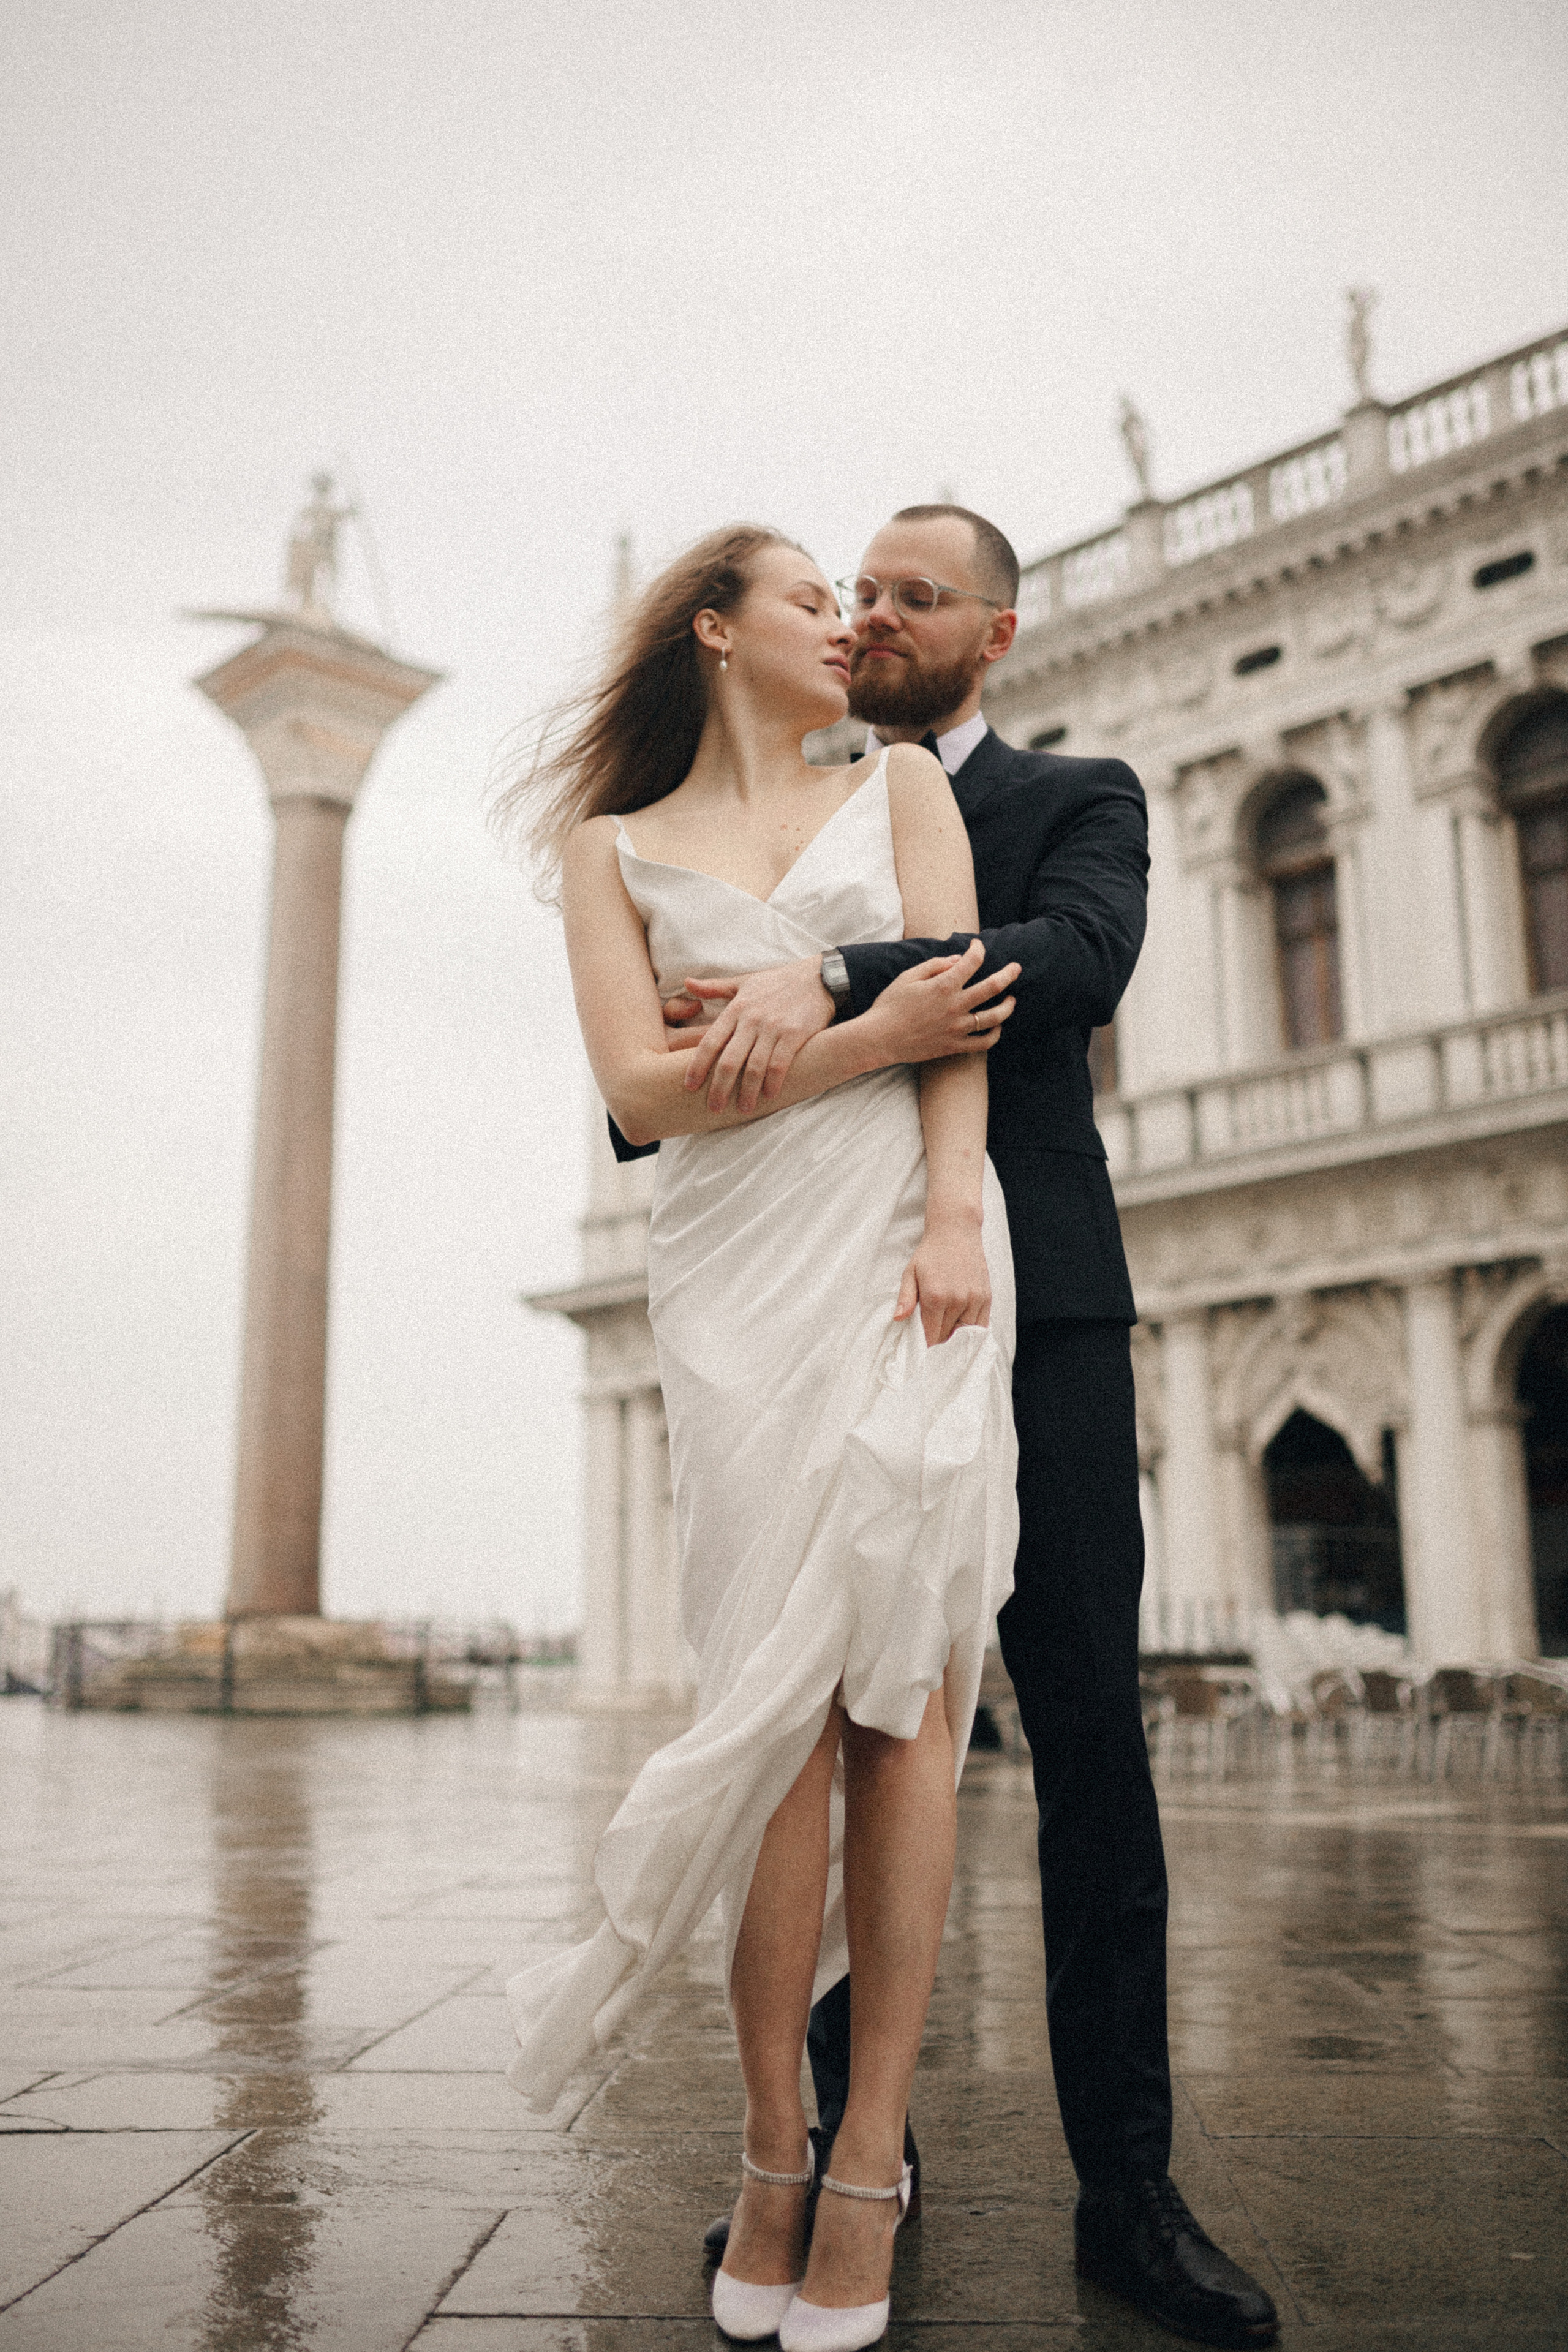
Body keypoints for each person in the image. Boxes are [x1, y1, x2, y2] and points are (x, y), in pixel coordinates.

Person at [648, 507, 1278, 2350]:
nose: (873, 618)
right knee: (838, 1726)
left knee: (1087, 1735)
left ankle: (1131, 2196)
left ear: (995, 634)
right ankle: (854, 2151)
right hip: (829, 1311)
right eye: (856, 591)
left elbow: (1074, 970)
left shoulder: (1083, 793)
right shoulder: (779, 808)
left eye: (916, 598)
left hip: (1035, 1302)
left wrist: (825, 982)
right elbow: (658, 1070)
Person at [499, 524, 1025, 2352]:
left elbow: (959, 1025)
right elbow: (645, 1091)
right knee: (768, 1718)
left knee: (902, 1699)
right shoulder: (606, 849)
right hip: (727, 1284)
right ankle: (770, 2142)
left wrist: (957, 1212)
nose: (851, 622)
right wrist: (864, 1034)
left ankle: (870, 2156)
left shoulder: (900, 789)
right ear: (720, 633)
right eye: (815, 597)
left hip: (907, 1251)